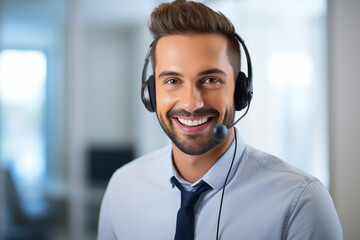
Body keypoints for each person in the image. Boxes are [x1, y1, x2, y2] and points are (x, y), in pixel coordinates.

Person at [98, 0, 342, 239]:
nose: (191, 104)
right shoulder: (123, 188)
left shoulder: (300, 203)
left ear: (240, 91)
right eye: (172, 81)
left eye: (210, 80)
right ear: (150, 93)